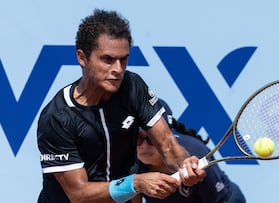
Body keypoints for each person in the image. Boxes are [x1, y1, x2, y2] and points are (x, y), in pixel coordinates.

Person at [36, 9, 205, 203]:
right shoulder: (57, 118)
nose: (118, 69)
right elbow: (79, 194)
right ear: (82, 58)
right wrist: (136, 183)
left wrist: (184, 164)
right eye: (107, 59)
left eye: (123, 59)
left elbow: (167, 145)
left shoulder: (133, 87)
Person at [133, 99, 246, 203]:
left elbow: (219, 200)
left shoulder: (195, 151)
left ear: (168, 135)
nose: (143, 146)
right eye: (136, 138)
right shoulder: (129, 163)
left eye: (151, 138)